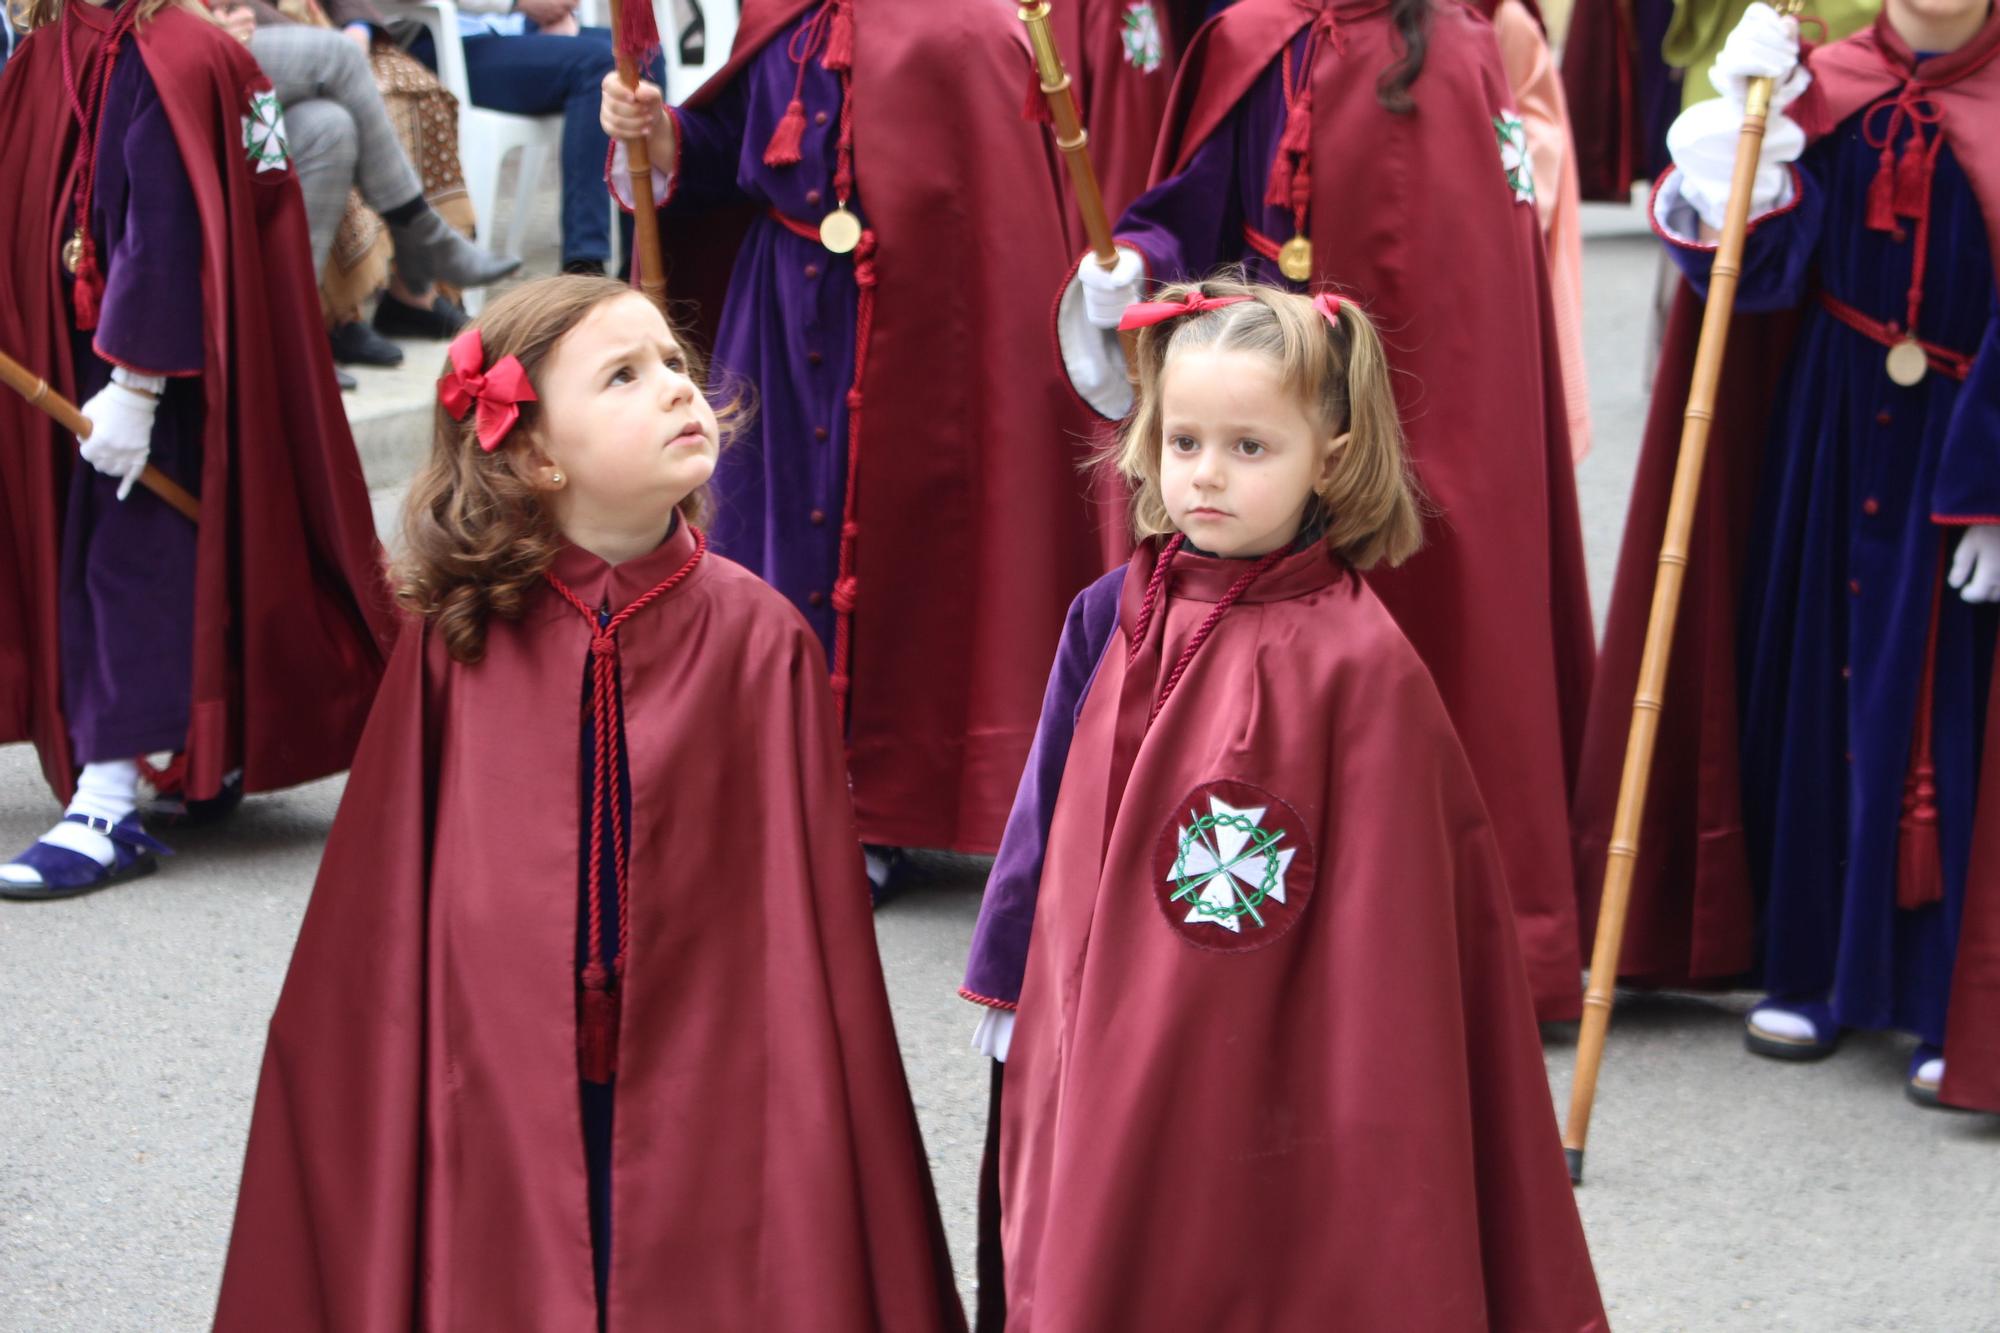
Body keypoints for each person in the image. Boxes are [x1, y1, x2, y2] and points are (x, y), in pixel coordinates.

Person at [213, 276, 968, 1330]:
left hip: (714, 1058)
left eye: (673, 363)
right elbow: (382, 914)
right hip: (500, 1055)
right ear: (534, 454)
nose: (674, 390)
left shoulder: (760, 641)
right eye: (624, 375)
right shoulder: (459, 635)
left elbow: (806, 936)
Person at [963, 279, 1609, 1331]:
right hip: (1109, 1021)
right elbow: (1041, 814)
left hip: (1287, 1048)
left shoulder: (1360, 664)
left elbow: (1398, 926)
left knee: (1264, 1239)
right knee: (1112, 1230)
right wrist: (1005, 984)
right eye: (1183, 442)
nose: (1205, 474)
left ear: (1332, 455)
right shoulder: (1110, 614)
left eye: (1248, 447)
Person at [1056, 0, 1597, 1020]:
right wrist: (1134, 256)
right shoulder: (1247, 36)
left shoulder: (1464, 44)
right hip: (1274, 422)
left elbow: (1493, 255)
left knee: (1454, 651)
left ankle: (1470, 942)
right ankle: (1276, 925)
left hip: (1456, 409)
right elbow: (1196, 199)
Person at [1575, 0, 2000, 1112]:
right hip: (1827, 427)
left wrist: (1990, 485)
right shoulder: (1827, 82)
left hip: (1963, 440)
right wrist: (1739, 140)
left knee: (1942, 712)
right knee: (1820, 684)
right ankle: (1809, 971)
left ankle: (1937, 994)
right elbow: (1756, 275)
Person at [599, 0, 1112, 881]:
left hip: (923, 341)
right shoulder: (778, 12)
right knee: (772, 556)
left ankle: (879, 800)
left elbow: (1004, 213)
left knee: (904, 569)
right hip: (783, 320)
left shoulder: (974, 26)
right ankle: (775, 787)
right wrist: (660, 133)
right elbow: (738, 155)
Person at [0, 0, 396, 896]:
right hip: (71, 365)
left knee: (133, 562)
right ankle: (195, 756)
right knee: (115, 555)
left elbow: (176, 224)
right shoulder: (50, 52)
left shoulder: (180, 53)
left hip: (166, 366)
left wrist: (138, 384)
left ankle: (108, 798)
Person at [211, 0, 517, 378]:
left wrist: (358, 25)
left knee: (332, 126)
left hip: (282, 30)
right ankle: (419, 233)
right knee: (342, 62)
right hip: (184, 39)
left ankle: (294, 336)